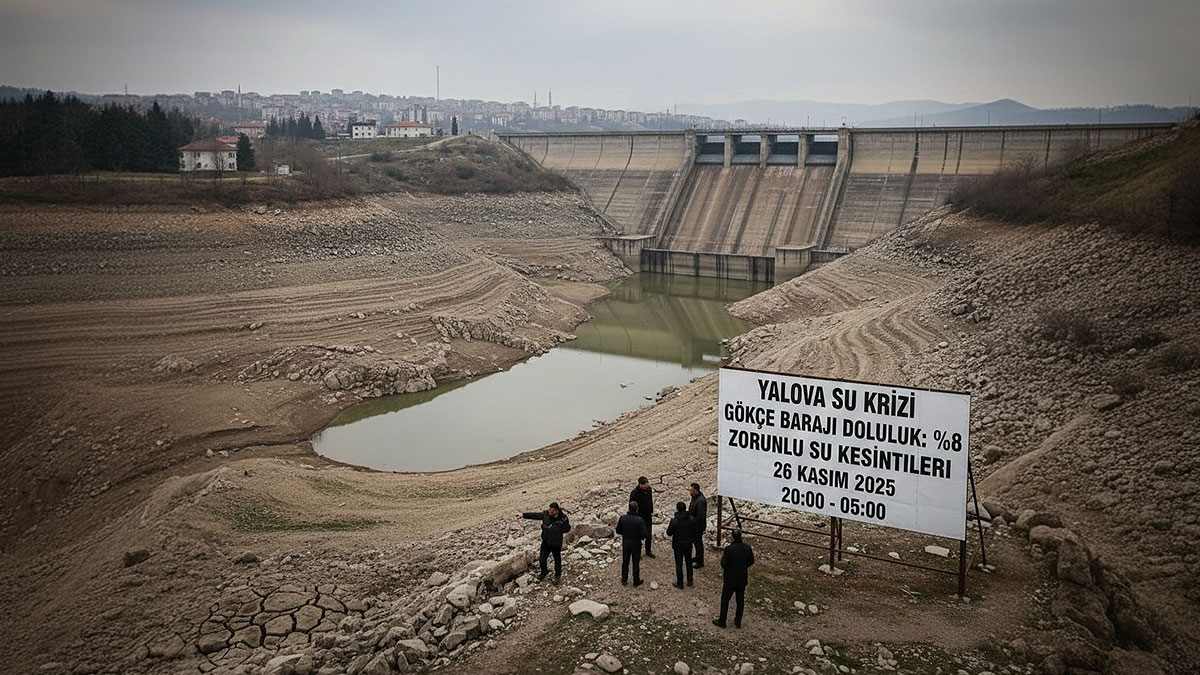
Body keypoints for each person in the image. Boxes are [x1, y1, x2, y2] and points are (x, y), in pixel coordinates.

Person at [516, 502, 571, 582]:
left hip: (556, 543)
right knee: (542, 560)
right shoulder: (545, 514)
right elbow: (535, 515)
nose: (550, 512)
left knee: (557, 559)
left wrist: (557, 529)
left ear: (557, 511)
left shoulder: (563, 518)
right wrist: (523, 515)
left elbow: (568, 528)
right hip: (546, 542)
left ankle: (557, 576)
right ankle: (544, 572)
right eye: (549, 509)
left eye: (552, 511)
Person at [713, 529, 755, 629]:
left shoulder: (729, 549)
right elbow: (751, 561)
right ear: (741, 536)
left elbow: (723, 564)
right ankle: (738, 621)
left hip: (730, 579)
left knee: (725, 599)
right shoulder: (747, 548)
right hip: (742, 578)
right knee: (740, 600)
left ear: (732, 536)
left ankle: (722, 620)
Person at [615, 500, 649, 586]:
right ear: (637, 509)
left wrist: (625, 534)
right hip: (636, 543)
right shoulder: (639, 520)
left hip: (626, 542)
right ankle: (636, 580)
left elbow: (618, 530)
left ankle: (624, 579)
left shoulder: (623, 518)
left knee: (625, 562)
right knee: (636, 562)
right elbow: (644, 534)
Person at [666, 501, 696, 589]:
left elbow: (669, 533)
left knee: (679, 563)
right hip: (688, 544)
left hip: (678, 544)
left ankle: (680, 583)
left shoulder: (674, 521)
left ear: (677, 509)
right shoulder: (691, 519)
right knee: (689, 562)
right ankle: (690, 580)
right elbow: (694, 530)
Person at [630, 476, 655, 558]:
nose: (645, 485)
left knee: (648, 534)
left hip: (647, 515)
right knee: (638, 535)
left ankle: (648, 550)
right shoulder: (634, 492)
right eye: (643, 484)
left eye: (646, 483)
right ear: (640, 484)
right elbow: (631, 505)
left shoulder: (649, 489)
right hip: (639, 516)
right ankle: (637, 552)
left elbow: (650, 501)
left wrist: (651, 510)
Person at [687, 482, 708, 569]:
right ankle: (697, 558)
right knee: (696, 543)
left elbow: (700, 517)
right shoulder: (695, 498)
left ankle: (700, 562)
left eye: (691, 490)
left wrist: (691, 521)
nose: (690, 492)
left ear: (696, 490)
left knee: (698, 544)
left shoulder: (700, 502)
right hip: (695, 525)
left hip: (698, 526)